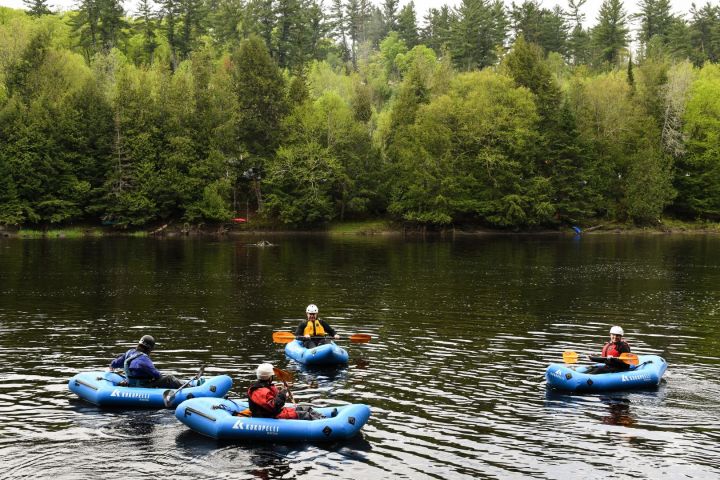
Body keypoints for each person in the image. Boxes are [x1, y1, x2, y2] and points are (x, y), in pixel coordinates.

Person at [247, 363, 332, 420]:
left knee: (305, 408)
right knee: (304, 414)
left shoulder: (265, 387)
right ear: (269, 377)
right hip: (271, 416)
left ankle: (324, 419)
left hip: (276, 412)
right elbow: (274, 406)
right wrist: (283, 393)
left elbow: (275, 400)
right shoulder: (258, 390)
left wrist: (283, 392)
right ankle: (323, 424)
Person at [108, 335, 183, 388]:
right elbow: (157, 375)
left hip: (130, 383)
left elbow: (115, 363)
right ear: (149, 348)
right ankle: (188, 388)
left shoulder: (129, 352)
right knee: (169, 378)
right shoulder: (144, 360)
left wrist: (112, 365)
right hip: (142, 386)